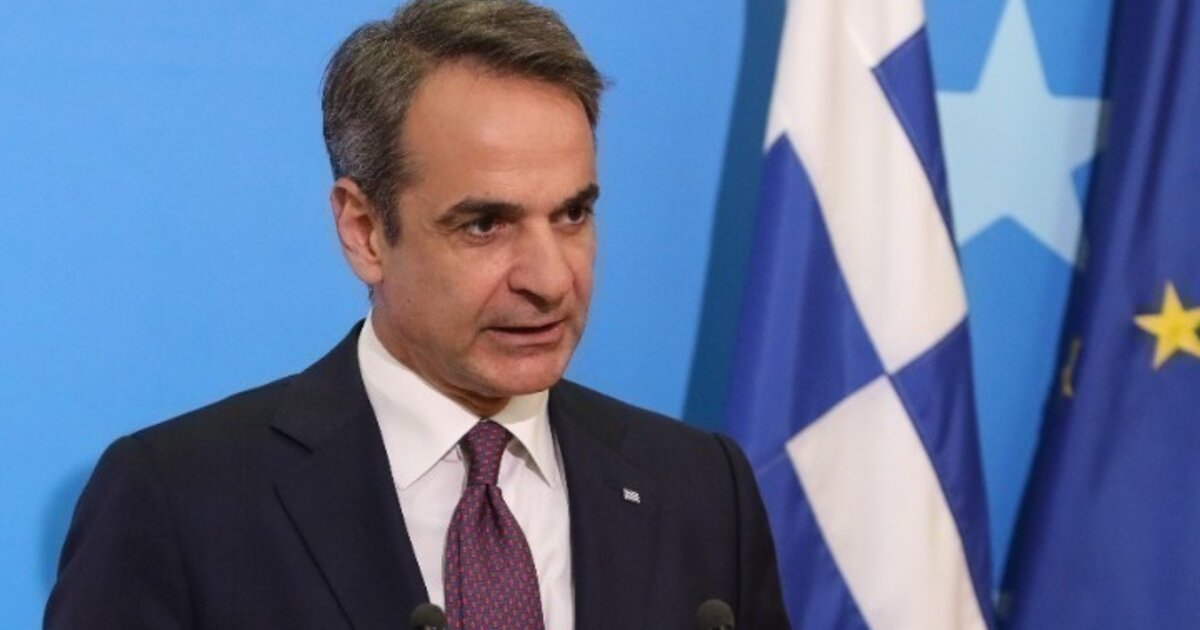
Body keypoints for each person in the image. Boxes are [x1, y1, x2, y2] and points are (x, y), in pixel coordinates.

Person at [44, 1, 789, 628]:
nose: (550, 279)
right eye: (485, 224)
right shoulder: (183, 501)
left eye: (572, 214)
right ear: (365, 231)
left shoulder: (700, 487)